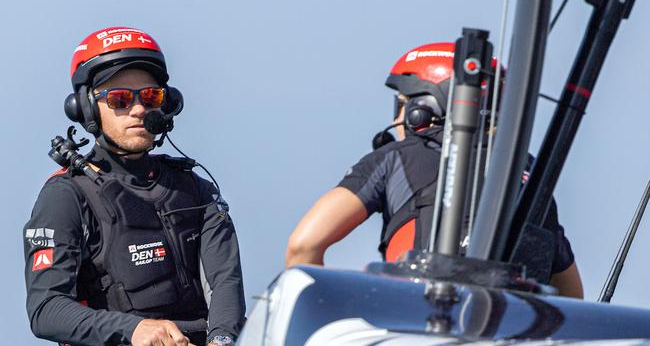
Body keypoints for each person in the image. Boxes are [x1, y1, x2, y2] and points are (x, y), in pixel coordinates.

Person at [285, 42, 584, 298]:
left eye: (401, 105)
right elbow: (572, 296)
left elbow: (304, 245)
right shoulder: (529, 172)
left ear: (423, 109)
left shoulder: (396, 158)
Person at [23, 27, 245, 346]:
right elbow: (46, 310)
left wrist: (221, 339)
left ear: (167, 105)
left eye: (151, 96)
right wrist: (135, 330)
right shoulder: (65, 196)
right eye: (120, 99)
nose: (139, 109)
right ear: (86, 108)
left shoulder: (197, 189)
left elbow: (225, 281)